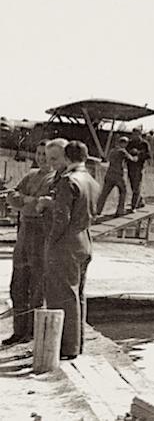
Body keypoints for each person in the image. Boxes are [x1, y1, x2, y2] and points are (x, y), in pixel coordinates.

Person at [42, 139, 96, 360]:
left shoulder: (68, 181)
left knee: (62, 297)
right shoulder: (91, 180)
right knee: (77, 296)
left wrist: (50, 242)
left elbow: (61, 218)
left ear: (67, 157)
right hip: (85, 240)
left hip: (66, 244)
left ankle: (66, 348)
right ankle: (77, 345)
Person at [3, 141, 54, 346]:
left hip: (41, 234)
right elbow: (12, 198)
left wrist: (27, 201)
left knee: (37, 285)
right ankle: (19, 330)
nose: (42, 158)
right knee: (18, 283)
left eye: (47, 155)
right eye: (39, 153)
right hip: (24, 232)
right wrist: (26, 200)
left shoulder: (55, 179)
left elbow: (41, 207)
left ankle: (32, 332)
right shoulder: (31, 175)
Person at [95, 137, 137, 217]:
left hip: (109, 174)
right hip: (118, 175)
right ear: (124, 143)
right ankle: (120, 210)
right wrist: (135, 156)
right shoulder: (122, 151)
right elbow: (131, 159)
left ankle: (97, 210)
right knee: (123, 191)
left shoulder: (112, 151)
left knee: (104, 193)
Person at [126, 127, 152, 211]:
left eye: (137, 134)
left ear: (140, 134)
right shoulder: (129, 143)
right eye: (133, 134)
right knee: (133, 186)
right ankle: (140, 201)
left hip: (139, 167)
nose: (135, 136)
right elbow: (125, 153)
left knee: (137, 186)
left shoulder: (144, 144)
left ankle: (134, 206)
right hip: (130, 167)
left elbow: (148, 155)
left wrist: (139, 154)